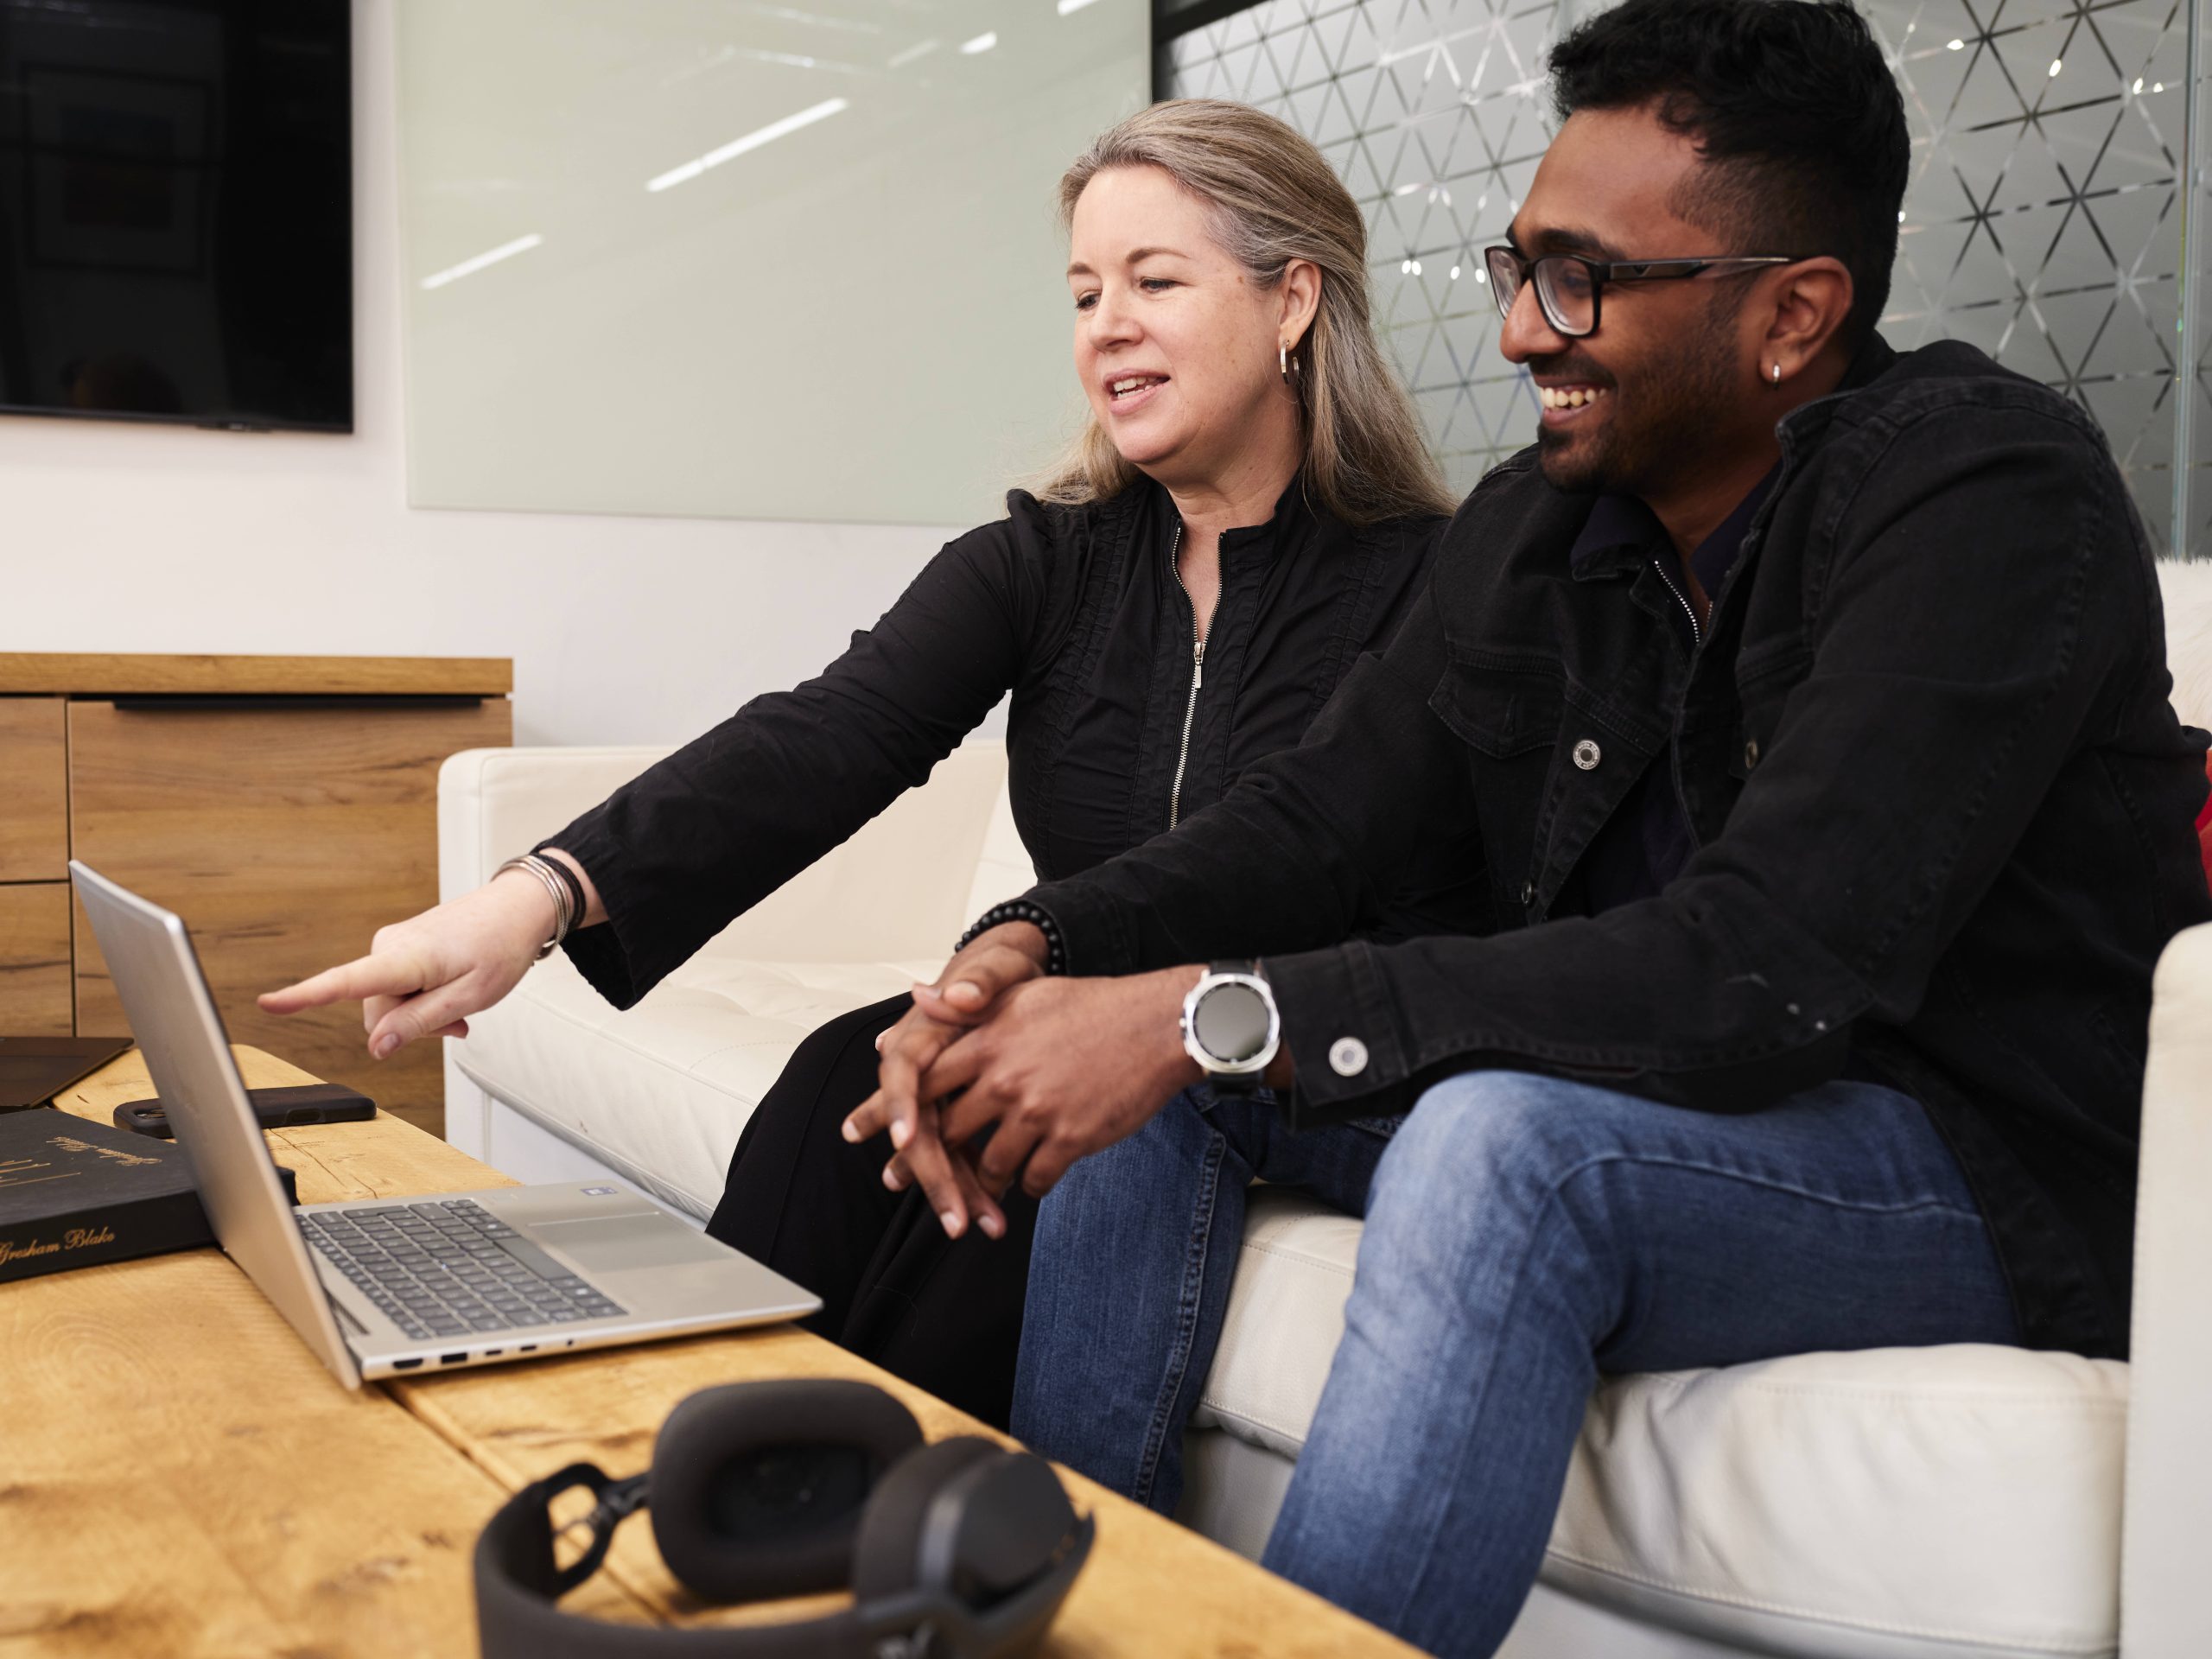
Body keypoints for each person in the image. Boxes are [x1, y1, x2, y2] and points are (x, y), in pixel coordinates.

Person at [849, 3, 2212, 1653]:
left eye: (1581, 281)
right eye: (1517, 268)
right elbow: (1319, 816)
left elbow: (1764, 965)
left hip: (1950, 1155)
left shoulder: (1984, 497)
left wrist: (1220, 1008)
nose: (1518, 334)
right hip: (1651, 1084)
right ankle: (1067, 1619)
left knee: (1503, 1150)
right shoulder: (1539, 521)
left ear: (1793, 314)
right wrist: (1044, 947)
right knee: (1155, 1097)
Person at [257, 99, 1470, 1427]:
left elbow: (1313, 866)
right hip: (1046, 1010)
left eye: (1153, 281)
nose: (1104, 326)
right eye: (1082, 293)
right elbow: (830, 733)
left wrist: (1026, 979)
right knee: (854, 1067)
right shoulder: (1047, 559)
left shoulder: (1436, 582)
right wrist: (531, 901)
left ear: (1294, 300)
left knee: (987, 1122)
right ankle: (715, 1458)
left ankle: (863, 1524)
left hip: (1272, 1051)